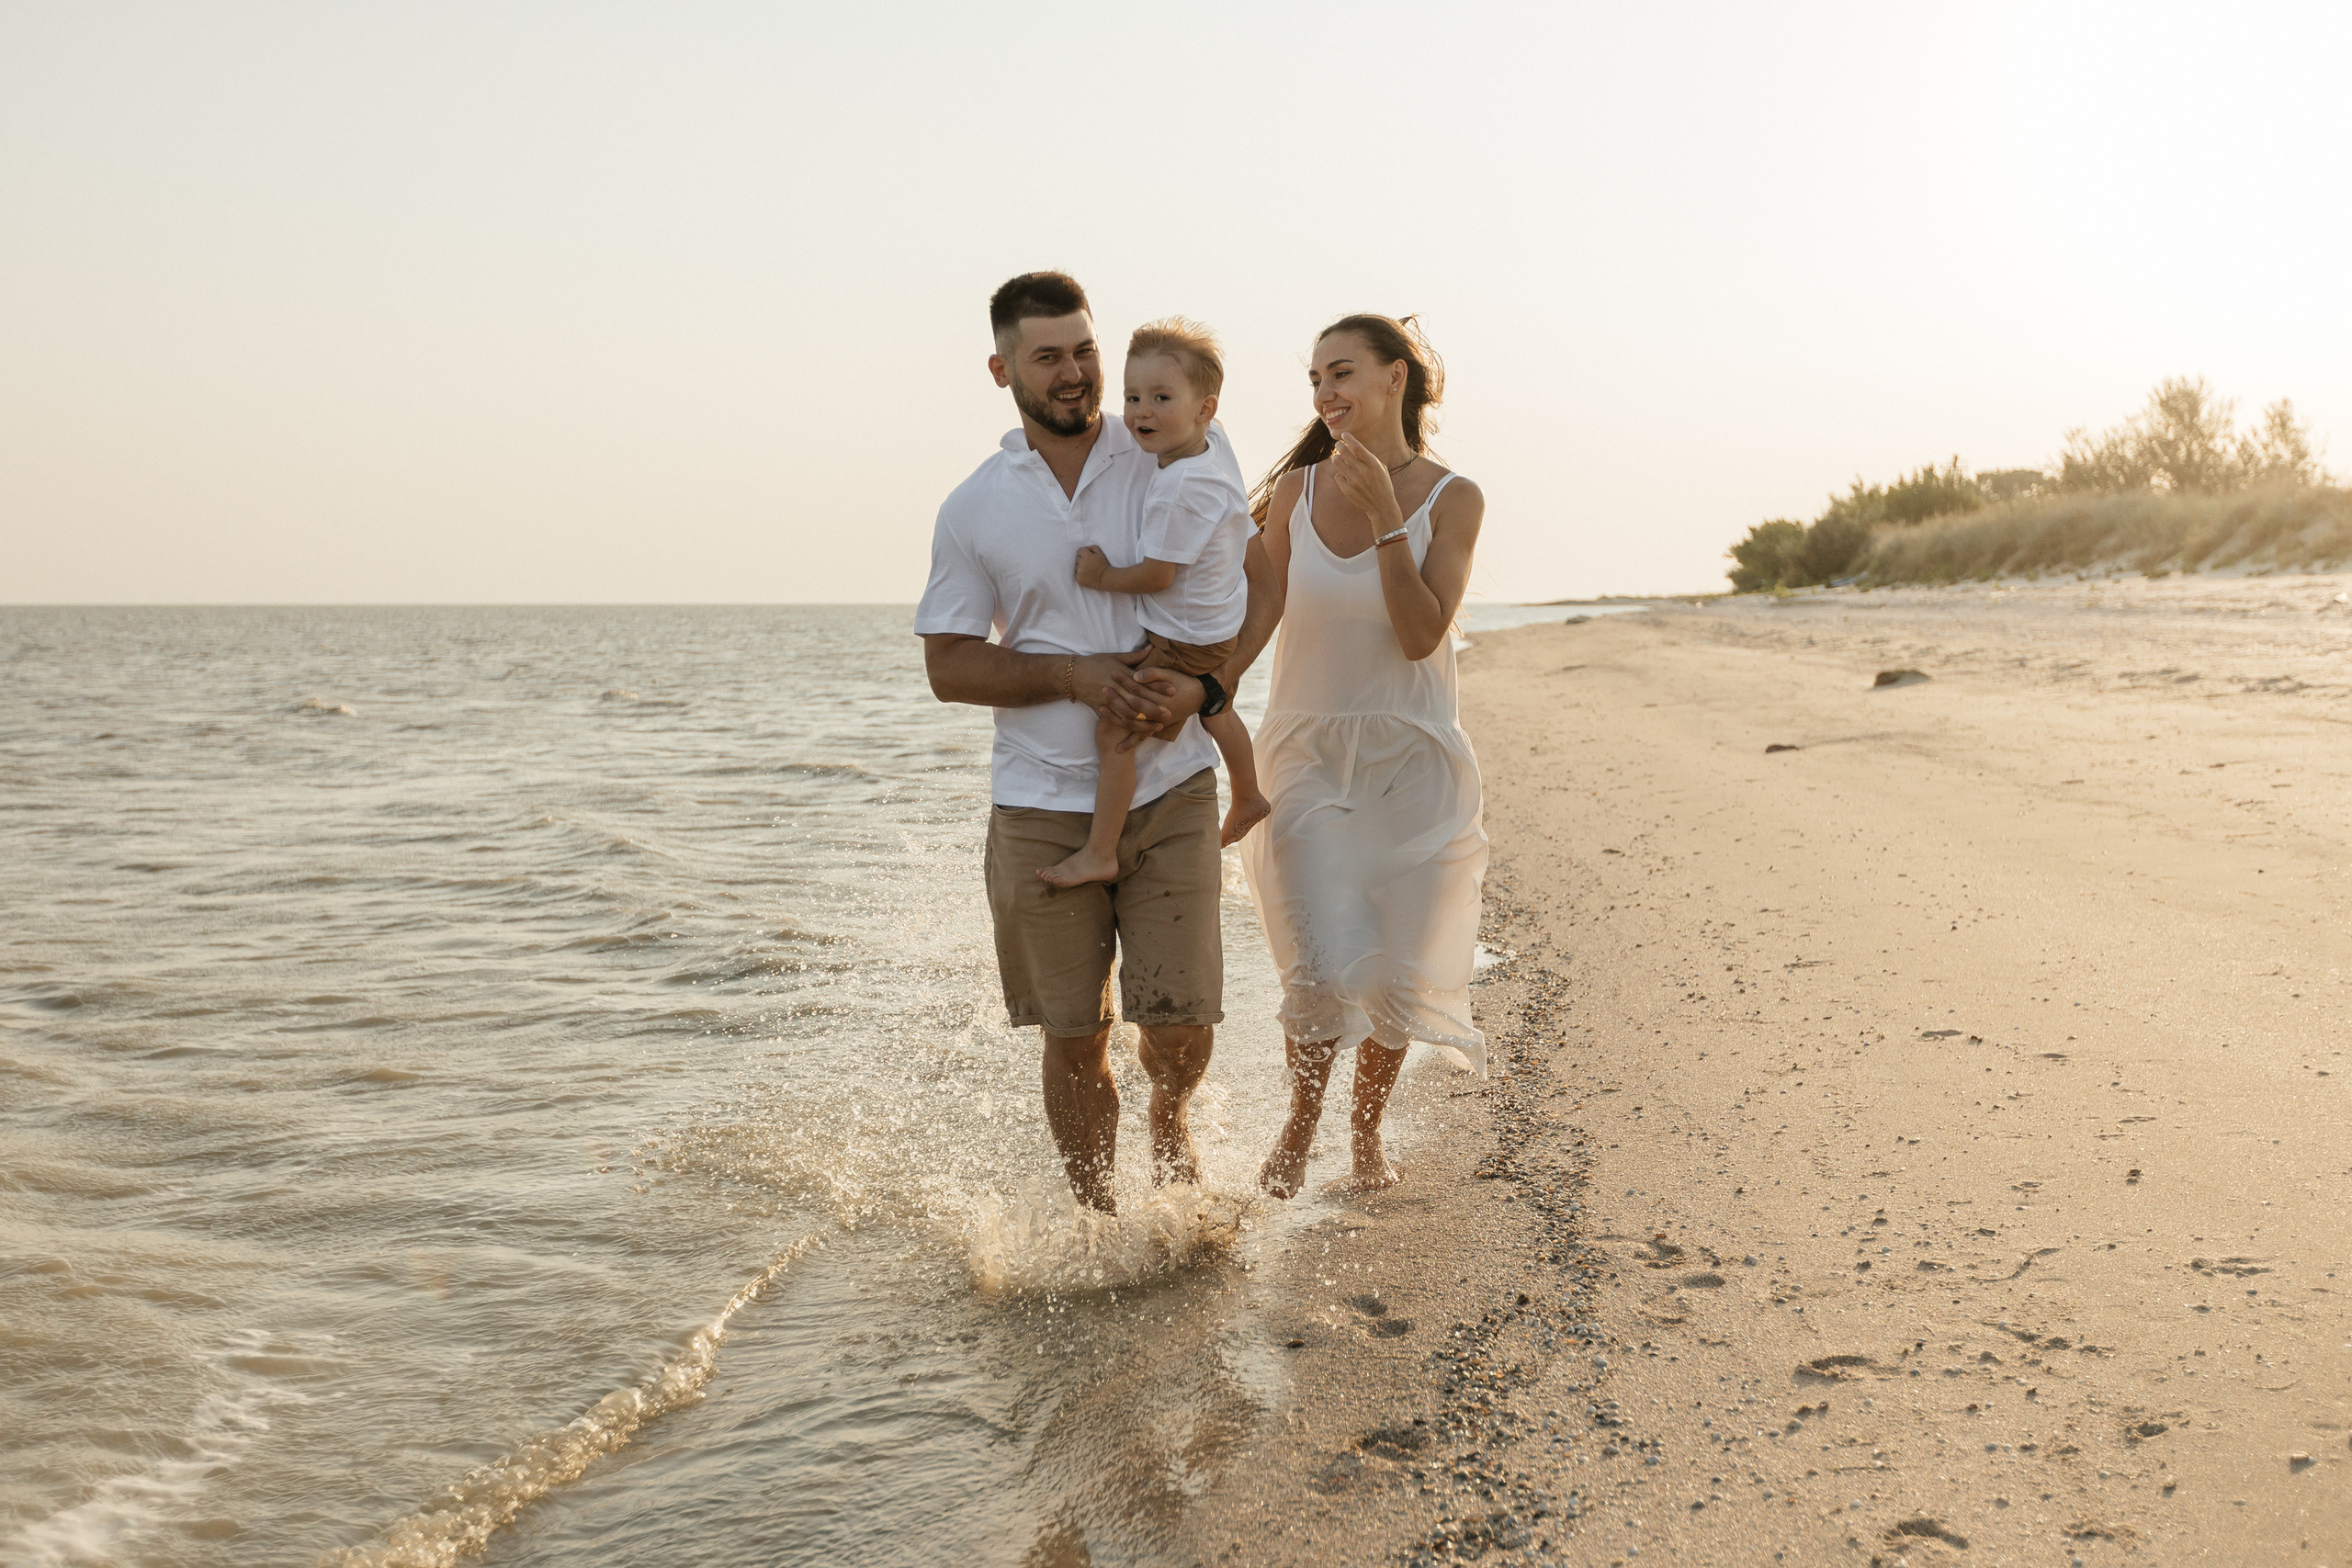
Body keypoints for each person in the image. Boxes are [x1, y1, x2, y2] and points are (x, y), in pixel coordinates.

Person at [914, 272, 1265, 1213]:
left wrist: (1205, 685)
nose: (1075, 374)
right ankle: (1097, 1220)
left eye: (1084, 351)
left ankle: (1170, 1115)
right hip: (1038, 805)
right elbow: (948, 665)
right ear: (1002, 370)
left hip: (1173, 786)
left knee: (1182, 1022)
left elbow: (1257, 573)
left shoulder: (1170, 441)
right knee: (1073, 1035)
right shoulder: (973, 506)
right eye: (1047, 357)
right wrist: (1074, 677)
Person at [1234, 313, 1489, 1200]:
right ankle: (1300, 1123)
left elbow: (1422, 634)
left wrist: (1388, 516)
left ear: (1395, 379)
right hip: (1304, 750)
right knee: (1314, 954)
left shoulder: (1453, 498)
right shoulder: (1295, 495)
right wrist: (1201, 693)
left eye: (1340, 372)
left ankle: (1365, 1128)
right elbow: (1256, 616)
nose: (1324, 394)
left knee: (1390, 966)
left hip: (1411, 759)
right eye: (1313, 379)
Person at [1038, 318, 1270, 890]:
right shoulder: (1211, 452)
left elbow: (1158, 575)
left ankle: (1100, 852)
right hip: (1215, 629)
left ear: (1205, 408)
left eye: (1162, 398)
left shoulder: (1178, 488)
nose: (1141, 412)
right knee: (1215, 709)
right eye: (1133, 396)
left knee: (1114, 736)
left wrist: (1100, 576)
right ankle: (1249, 793)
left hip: (1184, 639)